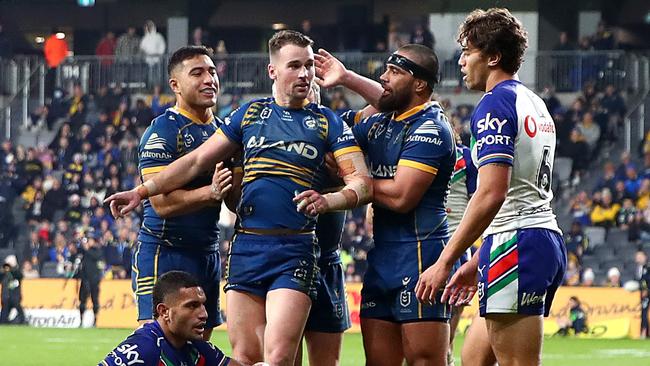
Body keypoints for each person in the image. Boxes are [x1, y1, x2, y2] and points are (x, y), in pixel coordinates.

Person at [105, 30, 372, 366]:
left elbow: (363, 184)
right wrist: (141, 191)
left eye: (308, 66)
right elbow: (196, 161)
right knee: (242, 359)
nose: (304, 73)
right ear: (273, 71)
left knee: (277, 358)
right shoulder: (248, 115)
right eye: (295, 66)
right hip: (245, 249)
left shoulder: (328, 122)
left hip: (294, 249)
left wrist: (328, 200)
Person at [414, 8, 567, 366]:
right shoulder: (534, 102)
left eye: (468, 52)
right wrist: (477, 261)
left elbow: (492, 193)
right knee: (473, 357)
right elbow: (520, 192)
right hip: (533, 236)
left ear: (493, 57)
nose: (462, 61)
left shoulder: (494, 104)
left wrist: (446, 261)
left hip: (517, 243)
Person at [315, 44, 455, 365]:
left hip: (421, 256)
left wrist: (352, 176)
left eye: (394, 72)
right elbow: (332, 138)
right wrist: (346, 79)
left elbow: (402, 197)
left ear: (420, 84)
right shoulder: (379, 122)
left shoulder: (431, 128)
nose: (384, 77)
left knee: (425, 360)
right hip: (382, 259)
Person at [129, 45, 233, 341]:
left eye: (212, 72)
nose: (209, 79)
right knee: (157, 343)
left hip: (208, 252)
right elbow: (160, 204)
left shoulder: (225, 132)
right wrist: (208, 194)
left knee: (199, 343)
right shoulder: (162, 131)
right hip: (166, 250)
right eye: (197, 73)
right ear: (175, 85)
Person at [100, 271, 246, 366]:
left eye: (202, 305)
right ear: (164, 311)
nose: (204, 314)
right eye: (192, 306)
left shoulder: (195, 345)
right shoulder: (143, 349)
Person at [77, 236, 104, 327]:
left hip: (94, 280)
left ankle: (95, 321)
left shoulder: (97, 250)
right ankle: (81, 320)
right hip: (85, 279)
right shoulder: (83, 251)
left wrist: (87, 249)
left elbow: (97, 256)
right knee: (82, 300)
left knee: (95, 301)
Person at [0, 255, 26, 324]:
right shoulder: (3, 274)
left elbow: (20, 276)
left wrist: (12, 268)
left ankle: (23, 322)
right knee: (4, 314)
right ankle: (3, 323)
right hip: (6, 297)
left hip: (15, 297)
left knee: (19, 312)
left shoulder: (17, 273)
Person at [636, 250, 650, 338]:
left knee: (644, 313)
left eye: (640, 257)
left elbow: (646, 279)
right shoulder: (638, 268)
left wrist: (646, 289)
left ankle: (644, 332)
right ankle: (644, 332)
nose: (638, 259)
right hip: (644, 293)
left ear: (645, 257)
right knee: (643, 313)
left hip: (647, 292)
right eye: (637, 257)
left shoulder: (648, 267)